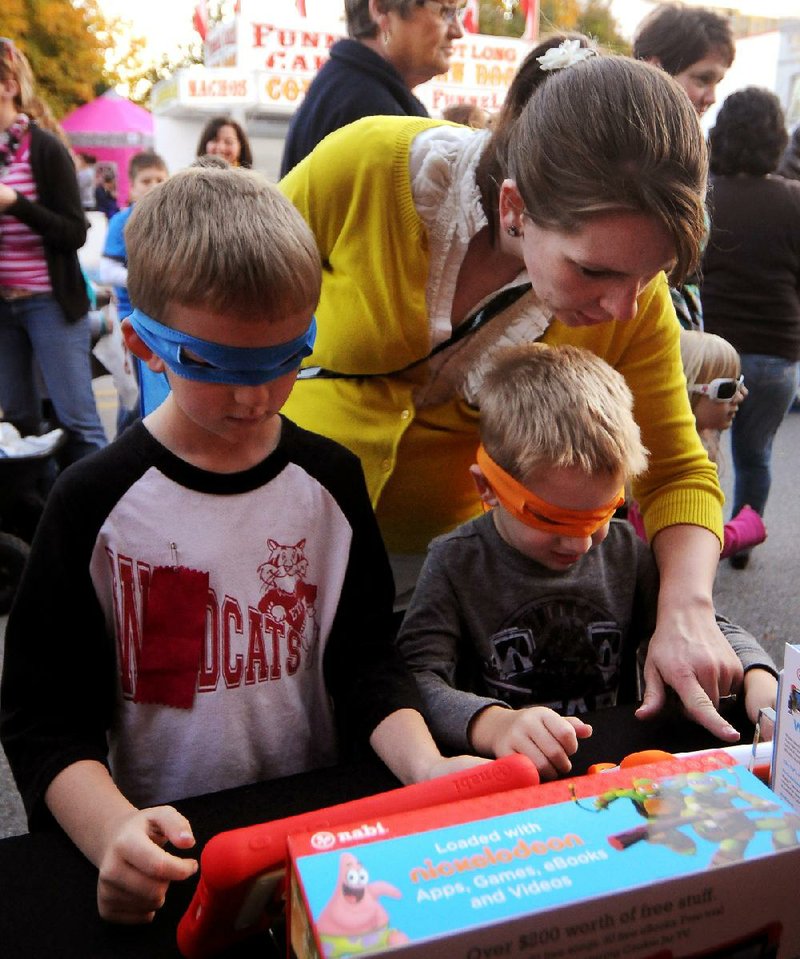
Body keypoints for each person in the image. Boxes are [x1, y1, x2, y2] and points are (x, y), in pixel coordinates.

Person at [0, 163, 484, 924]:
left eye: (287, 358)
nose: (254, 395)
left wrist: (424, 765)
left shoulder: (330, 478)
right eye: (217, 365)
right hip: (172, 844)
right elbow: (41, 716)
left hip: (324, 838)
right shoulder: (92, 502)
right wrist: (110, 832)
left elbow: (365, 662)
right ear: (143, 345)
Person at [279, 44, 743, 740]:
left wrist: (686, 607)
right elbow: (227, 293)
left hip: (452, 585)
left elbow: (676, 468)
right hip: (287, 552)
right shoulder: (364, 170)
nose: (625, 306)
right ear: (515, 206)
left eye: (653, 275)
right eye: (594, 270)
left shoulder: (633, 299)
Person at [396, 343, 778, 779]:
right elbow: (413, 680)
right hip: (507, 782)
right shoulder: (455, 563)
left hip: (612, 769)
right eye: (552, 519)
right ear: (488, 488)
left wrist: (761, 681)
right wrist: (492, 723)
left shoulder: (620, 550)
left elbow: (705, 628)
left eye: (601, 514)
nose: (579, 544)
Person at [700, 87, 800, 570]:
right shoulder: (793, 201)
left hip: (713, 353)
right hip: (777, 352)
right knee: (756, 455)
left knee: (702, 449)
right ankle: (743, 537)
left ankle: (696, 539)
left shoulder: (705, 197)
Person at [0, 38, 107, 465]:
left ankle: (106, 522)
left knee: (78, 422)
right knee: (20, 424)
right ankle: (39, 519)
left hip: (50, 305)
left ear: (8, 85)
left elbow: (74, 232)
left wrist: (16, 205)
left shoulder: (43, 149)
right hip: (3, 311)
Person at [633, 2, 735, 332]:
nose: (712, 96)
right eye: (703, 79)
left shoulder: (687, 145)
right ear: (655, 67)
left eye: (718, 81)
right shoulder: (627, 146)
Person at [279, 0, 463, 177]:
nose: (458, 31)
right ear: (381, 9)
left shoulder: (345, 86)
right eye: (445, 11)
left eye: (458, 12)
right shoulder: (372, 113)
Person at [629, 330, 766, 561]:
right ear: (682, 391)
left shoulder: (698, 442)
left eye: (739, 383)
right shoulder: (659, 463)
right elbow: (674, 546)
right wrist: (741, 531)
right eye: (726, 389)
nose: (742, 395)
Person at [99, 151, 169, 426]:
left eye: (160, 179)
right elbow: (107, 269)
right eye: (146, 180)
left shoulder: (170, 220)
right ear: (132, 185)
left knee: (158, 389)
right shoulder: (122, 220)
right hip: (132, 319)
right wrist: (142, 278)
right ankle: (125, 446)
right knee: (133, 394)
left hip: (163, 318)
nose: (153, 186)